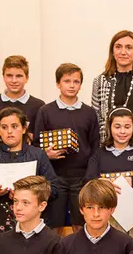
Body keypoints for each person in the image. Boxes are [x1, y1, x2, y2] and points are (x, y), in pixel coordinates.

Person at [34, 63, 100, 234]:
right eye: (67, 81)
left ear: (80, 85)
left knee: (81, 224)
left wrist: (90, 177)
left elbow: (95, 146)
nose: (72, 85)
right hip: (54, 177)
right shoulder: (45, 111)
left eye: (76, 81)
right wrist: (46, 155)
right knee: (53, 224)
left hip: (81, 178)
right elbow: (35, 145)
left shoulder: (89, 112)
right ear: (58, 84)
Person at [0, 107, 58, 232]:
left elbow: (54, 188)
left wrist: (29, 194)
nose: (9, 132)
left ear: (24, 129)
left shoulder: (37, 155)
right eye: (4, 127)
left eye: (14, 126)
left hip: (30, 224)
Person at [85, 107, 133, 246]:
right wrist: (100, 182)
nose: (122, 131)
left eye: (127, 127)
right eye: (117, 126)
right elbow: (88, 180)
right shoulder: (99, 154)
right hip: (109, 216)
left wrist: (132, 180)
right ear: (109, 128)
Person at [0, 56, 45, 147]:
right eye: (9, 76)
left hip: (29, 159)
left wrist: (35, 138)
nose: (14, 80)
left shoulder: (38, 106)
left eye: (19, 76)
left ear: (27, 78)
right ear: (3, 77)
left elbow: (44, 137)